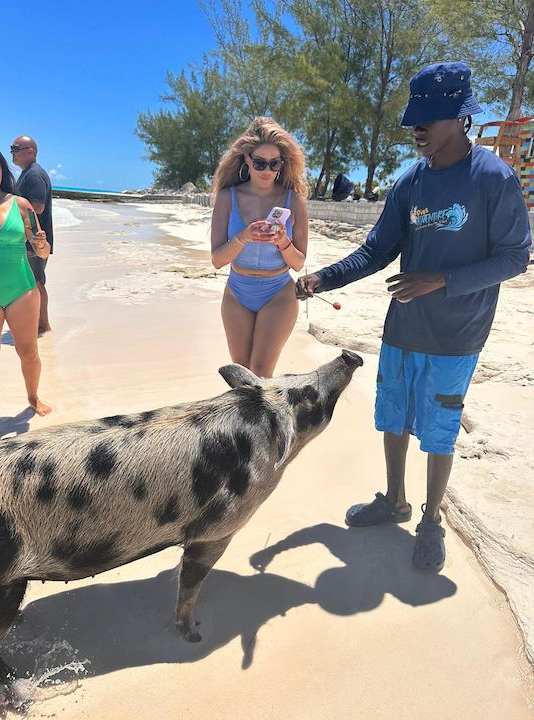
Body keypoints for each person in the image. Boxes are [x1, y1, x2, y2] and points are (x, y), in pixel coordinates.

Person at [296, 62, 531, 572]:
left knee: (441, 429)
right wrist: (323, 278)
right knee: (394, 416)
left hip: (458, 333)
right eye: (415, 120)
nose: (417, 129)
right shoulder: (411, 183)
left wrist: (440, 280)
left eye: (429, 118)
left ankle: (430, 520)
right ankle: (395, 500)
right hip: (403, 327)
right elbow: (377, 250)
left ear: (460, 118)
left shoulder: (494, 179)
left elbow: (516, 256)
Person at [210, 117, 309, 377]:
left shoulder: (294, 200)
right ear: (246, 160)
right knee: (241, 374)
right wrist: (244, 237)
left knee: (262, 373)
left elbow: (298, 263)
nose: (267, 170)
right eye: (260, 162)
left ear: (281, 165)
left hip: (277, 293)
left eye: (274, 163)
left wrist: (282, 242)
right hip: (237, 292)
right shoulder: (226, 196)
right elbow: (218, 260)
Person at [0, 145, 51, 417]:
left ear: (1, 171)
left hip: (21, 290)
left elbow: (42, 250)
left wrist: (42, 245)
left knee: (28, 352)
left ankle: (33, 397)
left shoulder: (20, 204)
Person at [11, 135, 53, 334]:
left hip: (35, 241)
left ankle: (43, 325)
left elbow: (37, 207)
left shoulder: (34, 175)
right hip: (30, 241)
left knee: (36, 282)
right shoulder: (27, 173)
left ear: (30, 151)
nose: (12, 152)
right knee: (31, 282)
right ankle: (35, 322)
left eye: (15, 148)